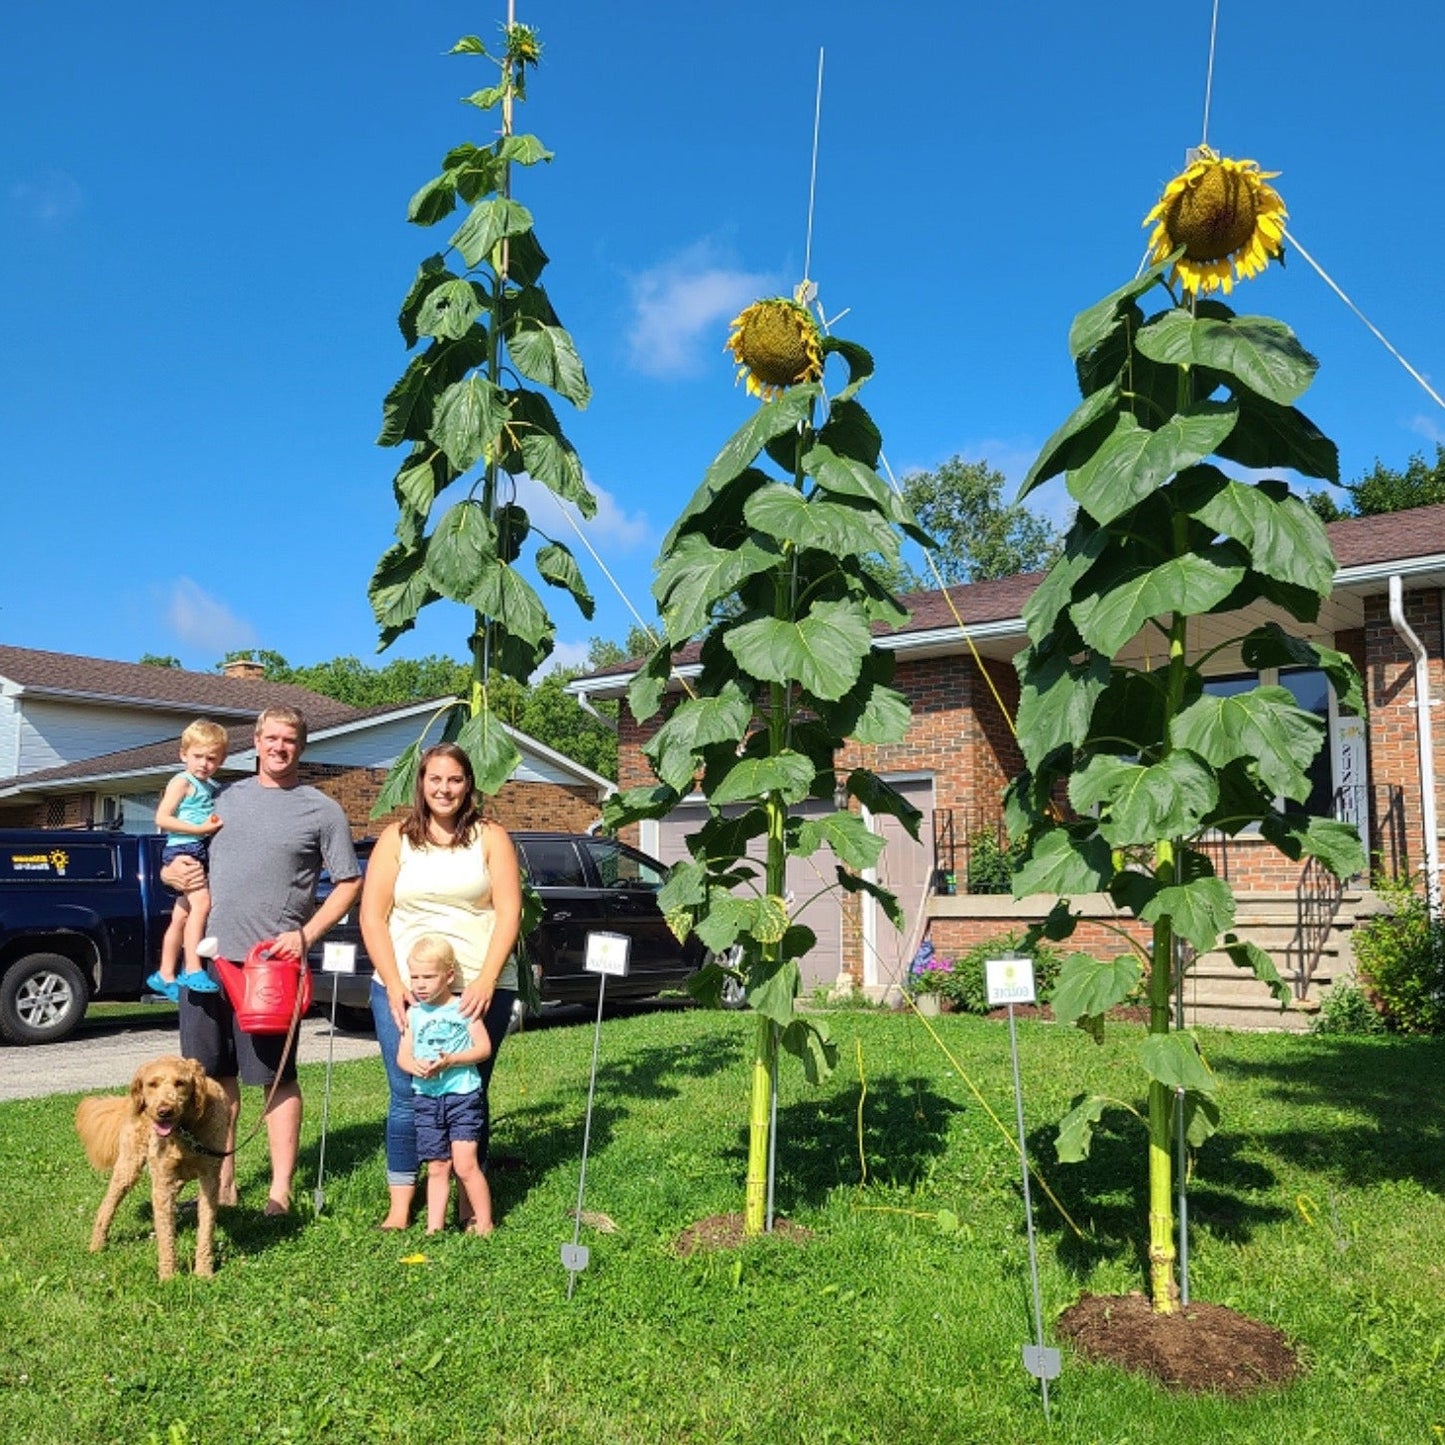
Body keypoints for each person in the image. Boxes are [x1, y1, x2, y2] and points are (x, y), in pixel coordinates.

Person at [162, 706, 361, 1213]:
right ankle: (221, 1187)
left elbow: (349, 882)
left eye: (289, 740)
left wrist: (308, 934)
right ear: (255, 741)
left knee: (274, 1078)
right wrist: (171, 877)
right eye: (270, 738)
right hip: (204, 962)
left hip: (269, 968)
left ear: (302, 746)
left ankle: (280, 1190)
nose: (279, 747)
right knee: (211, 1079)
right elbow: (179, 848)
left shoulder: (320, 810)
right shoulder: (221, 797)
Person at [359, 741, 522, 1231]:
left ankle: (472, 1207)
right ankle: (400, 1207)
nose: (445, 789)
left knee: (469, 1092)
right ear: (421, 783)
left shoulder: (491, 837)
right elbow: (372, 914)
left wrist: (488, 979)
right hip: (407, 989)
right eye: (435, 779)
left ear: (468, 783)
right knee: (408, 1093)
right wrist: (392, 983)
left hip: (476, 988)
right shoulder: (396, 839)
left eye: (455, 779)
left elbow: (509, 911)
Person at [397, 933, 495, 1235]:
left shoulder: (463, 1008)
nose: (420, 984)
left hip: (462, 1097)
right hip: (426, 1099)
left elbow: (483, 1048)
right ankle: (434, 1229)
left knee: (465, 1164)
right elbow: (403, 1053)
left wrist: (452, 1059)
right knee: (437, 1166)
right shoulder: (413, 1014)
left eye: (428, 976)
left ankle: (485, 1224)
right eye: (414, 977)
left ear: (449, 976)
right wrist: (412, 1065)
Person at [146, 718, 228, 1002]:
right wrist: (201, 830)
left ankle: (164, 973)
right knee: (201, 905)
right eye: (197, 756)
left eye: (211, 758)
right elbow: (162, 818)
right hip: (185, 849)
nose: (204, 763)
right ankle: (192, 969)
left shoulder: (211, 786)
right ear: (183, 754)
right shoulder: (182, 781)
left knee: (181, 915)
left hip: (197, 849)